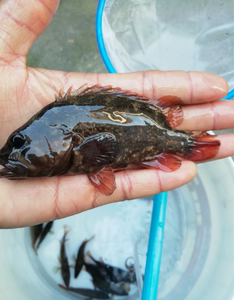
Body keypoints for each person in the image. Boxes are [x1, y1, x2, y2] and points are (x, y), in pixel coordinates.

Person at [0, 0, 233, 229]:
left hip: (152, 130)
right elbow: (104, 147)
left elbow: (105, 145)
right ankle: (190, 143)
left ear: (57, 136)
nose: (15, 153)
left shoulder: (60, 121)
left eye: (19, 142)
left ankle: (190, 143)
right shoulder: (56, 120)